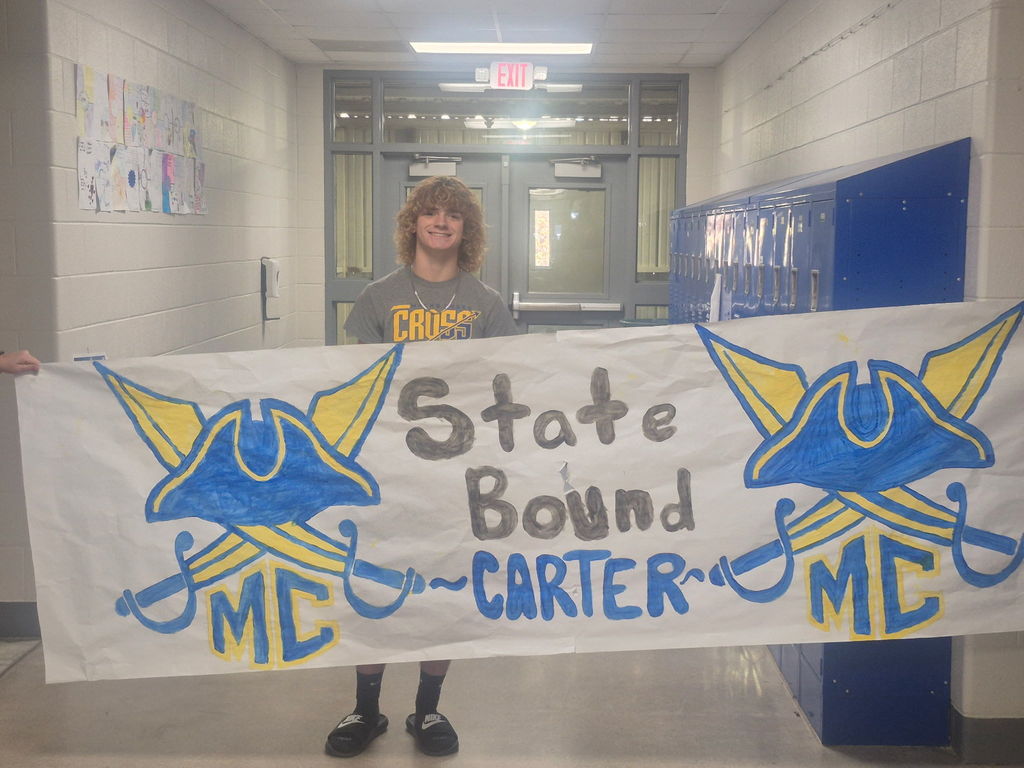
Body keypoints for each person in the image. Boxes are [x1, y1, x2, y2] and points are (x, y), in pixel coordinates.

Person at [327, 175, 518, 758]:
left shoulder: (485, 304)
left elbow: (507, 386)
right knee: (371, 584)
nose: (441, 221)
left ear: (468, 230)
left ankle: (427, 709)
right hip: (387, 471)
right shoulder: (379, 298)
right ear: (413, 224)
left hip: (456, 477)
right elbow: (351, 386)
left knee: (444, 588)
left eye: (453, 215)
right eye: (430, 212)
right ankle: (365, 711)